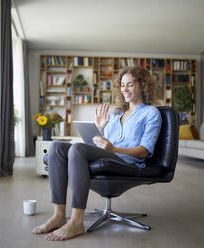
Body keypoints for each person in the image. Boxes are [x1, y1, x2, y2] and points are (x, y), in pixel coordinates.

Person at [32, 66, 162, 241]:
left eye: (130, 84)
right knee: (56, 147)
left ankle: (77, 221)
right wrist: (100, 129)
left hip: (127, 161)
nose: (125, 89)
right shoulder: (117, 114)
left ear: (143, 85)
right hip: (109, 154)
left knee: (77, 148)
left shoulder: (151, 113)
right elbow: (103, 145)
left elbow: (144, 151)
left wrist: (114, 149)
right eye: (122, 85)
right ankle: (59, 215)